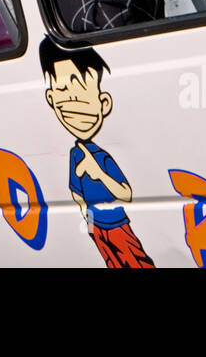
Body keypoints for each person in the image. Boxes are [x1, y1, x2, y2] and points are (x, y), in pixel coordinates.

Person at [39, 38, 153, 268]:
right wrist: (88, 221)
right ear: (51, 98)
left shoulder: (101, 158)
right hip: (98, 228)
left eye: (80, 89)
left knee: (136, 262)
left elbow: (125, 192)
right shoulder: (75, 154)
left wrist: (99, 173)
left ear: (104, 103)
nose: (71, 100)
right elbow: (77, 194)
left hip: (118, 226)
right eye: (62, 89)